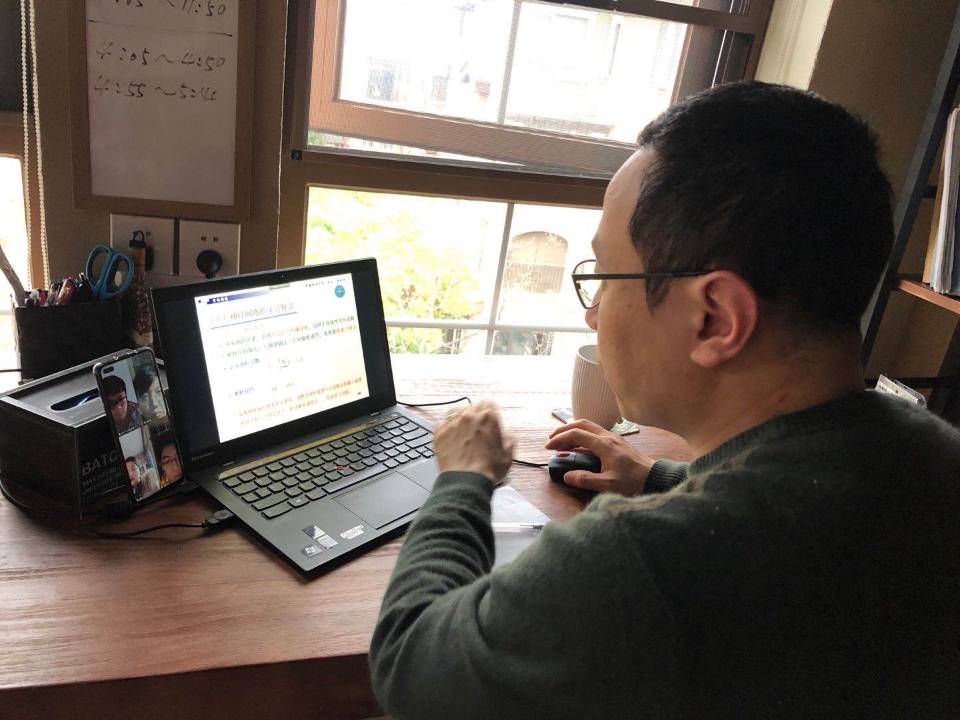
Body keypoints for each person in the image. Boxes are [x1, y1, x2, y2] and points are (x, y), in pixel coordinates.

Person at [368, 82, 960, 719]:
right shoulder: (933, 451)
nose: (594, 313)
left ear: (714, 318)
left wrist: (463, 479)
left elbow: (409, 667)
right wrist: (660, 478)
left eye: (603, 277)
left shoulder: (632, 565)